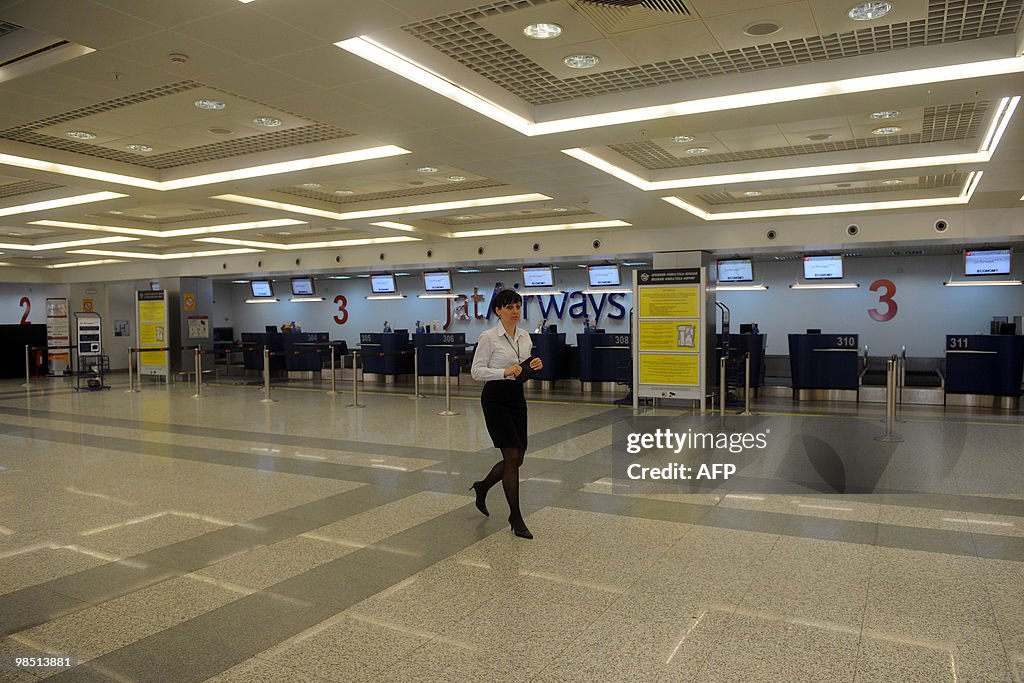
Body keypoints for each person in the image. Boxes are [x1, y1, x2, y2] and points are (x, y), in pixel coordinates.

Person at [469, 289, 543, 539]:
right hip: (496, 398)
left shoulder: (524, 336)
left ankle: (482, 486)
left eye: (518, 306)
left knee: (518, 458)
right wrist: (504, 372)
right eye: (509, 307)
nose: (515, 311)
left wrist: (533, 367)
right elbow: (477, 372)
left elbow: (522, 369)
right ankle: (515, 516)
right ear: (498, 311)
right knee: (511, 457)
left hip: (516, 398)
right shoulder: (488, 337)